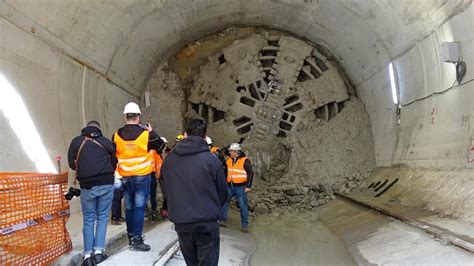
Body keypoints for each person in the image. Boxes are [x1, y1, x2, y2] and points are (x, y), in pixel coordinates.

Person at [160, 119, 227, 266]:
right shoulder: (212, 161)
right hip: (207, 223)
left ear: (185, 134)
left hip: (183, 223)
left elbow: (166, 189)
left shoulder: (169, 161)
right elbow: (223, 193)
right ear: (204, 137)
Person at [112, 102, 164, 251]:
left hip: (126, 177)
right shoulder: (147, 135)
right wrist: (152, 132)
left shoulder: (116, 135)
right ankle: (137, 240)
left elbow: (113, 155)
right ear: (138, 116)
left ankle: (130, 237)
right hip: (142, 177)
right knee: (139, 208)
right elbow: (161, 146)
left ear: (125, 116)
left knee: (128, 208)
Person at [67, 121, 116, 266]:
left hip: (87, 185)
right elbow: (114, 163)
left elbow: (71, 163)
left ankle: (88, 256)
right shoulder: (106, 142)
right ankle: (99, 253)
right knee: (102, 218)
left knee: (89, 219)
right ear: (99, 129)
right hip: (107, 183)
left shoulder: (77, 142)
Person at [222, 143, 253, 233]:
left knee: (243, 206)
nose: (230, 153)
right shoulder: (229, 160)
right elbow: (225, 172)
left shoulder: (245, 160)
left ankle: (244, 225)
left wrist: (248, 186)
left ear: (236, 152)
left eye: (232, 151)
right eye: (230, 151)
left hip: (241, 187)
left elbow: (250, 173)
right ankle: (223, 220)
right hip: (230, 186)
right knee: (224, 202)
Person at [148, 137, 168, 222]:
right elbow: (158, 165)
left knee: (152, 194)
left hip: (150, 174)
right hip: (151, 174)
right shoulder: (155, 152)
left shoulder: (154, 152)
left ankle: (154, 211)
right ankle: (154, 211)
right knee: (152, 194)